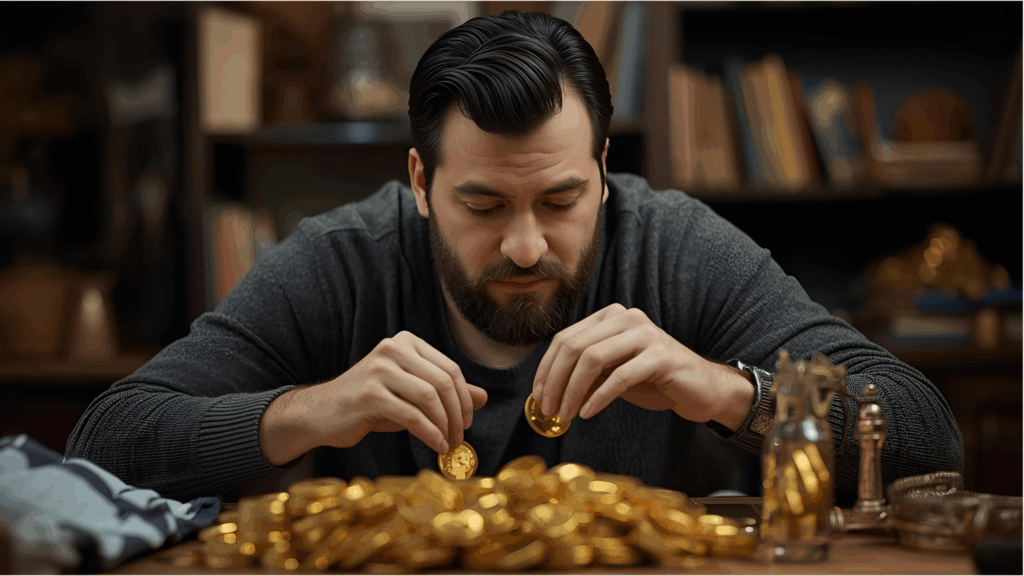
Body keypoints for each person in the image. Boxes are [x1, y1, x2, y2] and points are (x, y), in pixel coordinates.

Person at [66, 10, 963, 503]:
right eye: (483, 204)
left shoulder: (676, 244)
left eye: (563, 200)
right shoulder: (345, 260)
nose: (527, 244)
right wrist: (306, 411)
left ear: (605, 170)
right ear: (420, 181)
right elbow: (106, 441)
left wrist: (726, 390)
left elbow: (925, 437)